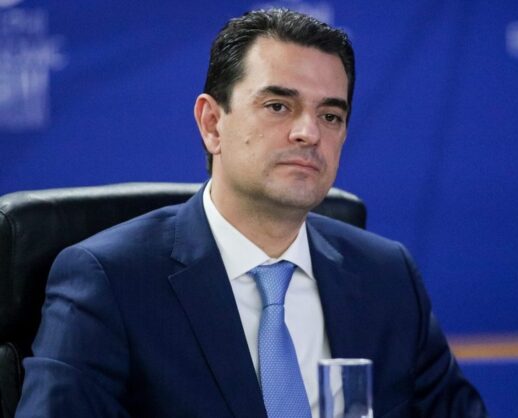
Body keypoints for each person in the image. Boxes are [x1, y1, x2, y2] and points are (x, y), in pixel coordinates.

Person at [15, 8, 487, 418]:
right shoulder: (112, 282)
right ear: (211, 124)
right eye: (278, 106)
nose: (308, 133)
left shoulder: (387, 277)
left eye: (330, 116)